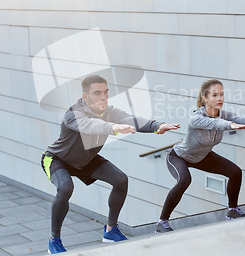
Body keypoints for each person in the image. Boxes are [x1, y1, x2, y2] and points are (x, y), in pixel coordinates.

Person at [41, 75, 180, 254]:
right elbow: (90, 125)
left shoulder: (110, 111)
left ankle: (110, 230)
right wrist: (113, 127)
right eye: (97, 93)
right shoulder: (73, 114)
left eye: (106, 92)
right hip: (57, 159)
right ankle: (54, 240)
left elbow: (132, 120)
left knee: (120, 180)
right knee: (66, 187)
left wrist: (158, 125)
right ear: (85, 97)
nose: (103, 97)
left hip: (85, 160)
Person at [155, 79, 245, 233]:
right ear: (205, 98)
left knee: (235, 172)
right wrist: (229, 125)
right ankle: (162, 222)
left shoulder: (223, 114)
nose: (220, 98)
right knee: (184, 180)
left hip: (202, 156)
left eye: (221, 94)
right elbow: (214, 124)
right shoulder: (196, 118)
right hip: (180, 156)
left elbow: (241, 118)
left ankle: (233, 210)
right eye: (215, 95)